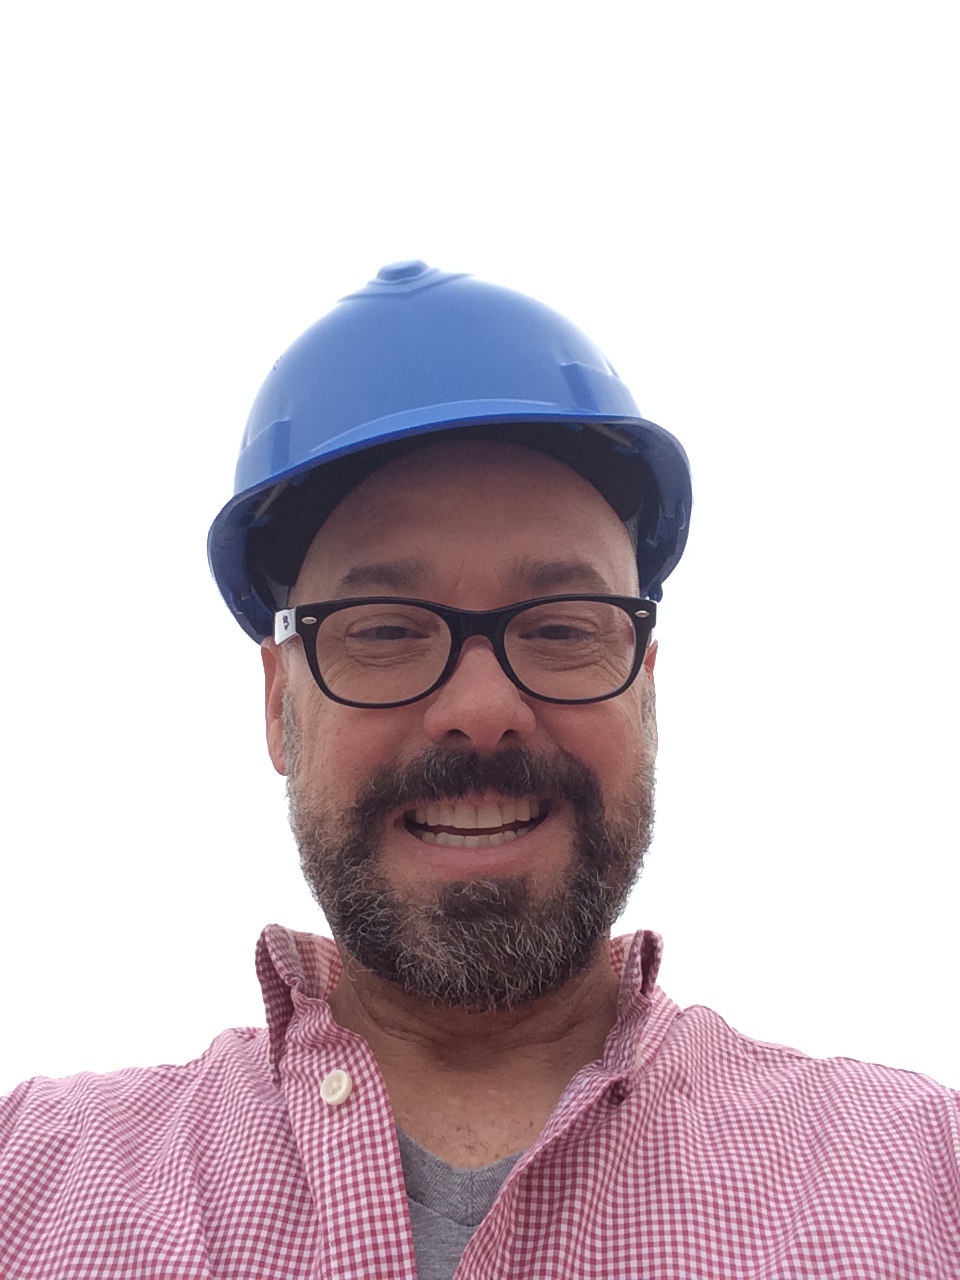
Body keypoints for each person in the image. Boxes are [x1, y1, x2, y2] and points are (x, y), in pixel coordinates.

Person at [1, 262, 957, 1279]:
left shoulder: (926, 1180)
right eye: (384, 629)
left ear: (646, 691)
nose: (483, 709)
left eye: (562, 628)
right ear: (278, 706)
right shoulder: (31, 1179)